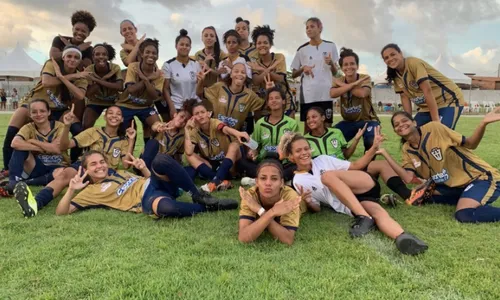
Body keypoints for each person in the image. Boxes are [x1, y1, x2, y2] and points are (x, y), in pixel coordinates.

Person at [280, 132, 428, 255]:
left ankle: (363, 217)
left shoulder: (323, 160)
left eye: (306, 148)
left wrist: (374, 147)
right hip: (352, 203)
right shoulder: (298, 181)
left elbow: (356, 165)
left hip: (362, 185)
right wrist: (308, 202)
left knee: (327, 177)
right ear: (291, 156)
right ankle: (403, 237)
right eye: (298, 151)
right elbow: (318, 207)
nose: (304, 153)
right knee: (377, 213)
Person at [12, 105, 136, 218]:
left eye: (118, 114)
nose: (114, 116)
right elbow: (65, 145)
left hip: (105, 173)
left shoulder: (123, 141)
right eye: (110, 113)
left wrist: (131, 140)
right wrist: (67, 126)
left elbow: (125, 164)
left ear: (122, 119)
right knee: (64, 175)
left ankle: (25, 182)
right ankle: (35, 204)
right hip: (85, 167)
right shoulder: (93, 131)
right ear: (104, 116)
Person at [379, 110, 500, 224]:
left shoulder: (434, 128)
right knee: (424, 199)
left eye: (405, 120)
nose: (401, 125)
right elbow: (407, 177)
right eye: (396, 124)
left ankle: (469, 200)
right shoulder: (407, 148)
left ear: (414, 122)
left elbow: (470, 144)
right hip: (456, 185)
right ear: (395, 131)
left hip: (481, 177)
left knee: (464, 214)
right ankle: (468, 197)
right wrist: (384, 153)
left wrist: (483, 124)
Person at [33, 151, 238, 217]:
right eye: (93, 164)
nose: (100, 166)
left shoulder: (119, 171)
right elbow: (61, 212)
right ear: (86, 169)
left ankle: (197, 193)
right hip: (147, 199)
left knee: (160, 160)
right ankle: (206, 207)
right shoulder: (90, 192)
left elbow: (147, 179)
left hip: (155, 184)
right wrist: (70, 190)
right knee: (166, 208)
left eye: (102, 162)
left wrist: (144, 168)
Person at [3, 47, 88, 172]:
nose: (72, 59)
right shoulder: (51, 64)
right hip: (34, 104)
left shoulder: (82, 77)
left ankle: (73, 165)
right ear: (63, 57)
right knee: (12, 131)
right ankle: (7, 169)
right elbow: (46, 82)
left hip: (59, 108)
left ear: (80, 61)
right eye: (69, 56)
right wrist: (72, 75)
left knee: (78, 131)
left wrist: (63, 77)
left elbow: (80, 95)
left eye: (76, 57)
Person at [304, 107, 412, 201]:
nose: (310, 120)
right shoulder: (305, 140)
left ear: (323, 118)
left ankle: (408, 195)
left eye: (314, 117)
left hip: (347, 170)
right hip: (327, 178)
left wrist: (356, 140)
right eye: (308, 118)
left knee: (382, 164)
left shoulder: (336, 132)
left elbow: (345, 155)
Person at [381, 43, 465, 129]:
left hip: (449, 100)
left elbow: (427, 91)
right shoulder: (394, 74)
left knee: (441, 133)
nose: (390, 59)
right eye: (386, 58)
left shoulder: (413, 63)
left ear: (401, 53)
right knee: (414, 134)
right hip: (426, 107)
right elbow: (404, 97)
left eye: (393, 54)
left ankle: (464, 142)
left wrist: (435, 120)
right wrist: (408, 120)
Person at [1, 99, 69, 197]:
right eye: (34, 112)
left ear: (49, 112)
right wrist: (43, 148)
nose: (38, 114)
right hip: (37, 165)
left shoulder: (60, 126)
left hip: (58, 165)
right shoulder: (28, 127)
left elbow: (57, 149)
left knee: (62, 173)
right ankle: (13, 181)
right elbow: (15, 143)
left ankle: (26, 183)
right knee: (19, 150)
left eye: (42, 111)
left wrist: (32, 141)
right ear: (30, 114)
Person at [238, 85, 299, 185]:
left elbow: (295, 147)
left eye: (277, 98)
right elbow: (255, 146)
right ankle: (281, 180)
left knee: (297, 166)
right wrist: (252, 152)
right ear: (267, 103)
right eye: (271, 99)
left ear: (283, 101)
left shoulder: (292, 123)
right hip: (263, 161)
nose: (274, 101)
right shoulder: (260, 123)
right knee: (241, 162)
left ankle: (258, 180)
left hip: (283, 163)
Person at [184, 102, 249, 192]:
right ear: (193, 118)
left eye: (202, 112)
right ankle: (220, 180)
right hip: (213, 165)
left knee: (234, 145)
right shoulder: (194, 130)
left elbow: (225, 129)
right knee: (189, 155)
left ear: (208, 113)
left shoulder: (214, 122)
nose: (200, 115)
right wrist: (186, 130)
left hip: (231, 164)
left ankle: (215, 181)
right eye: (196, 114)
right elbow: (188, 151)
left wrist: (238, 133)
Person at [238, 160, 303, 245]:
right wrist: (271, 213)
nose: (268, 183)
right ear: (256, 182)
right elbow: (243, 237)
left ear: (281, 183)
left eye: (274, 178)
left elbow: (288, 239)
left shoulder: (289, 196)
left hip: (302, 205)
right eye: (263, 178)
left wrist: (260, 210)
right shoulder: (250, 196)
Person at [291, 17, 339, 133]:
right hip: (308, 95)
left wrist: (331, 63)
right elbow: (293, 74)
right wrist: (303, 68)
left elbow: (335, 72)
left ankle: (327, 150)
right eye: (307, 27)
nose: (308, 29)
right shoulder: (301, 50)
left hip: (326, 94)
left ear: (320, 27)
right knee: (309, 126)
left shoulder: (331, 46)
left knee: (327, 125)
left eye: (312, 26)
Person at [116, 38, 164, 147]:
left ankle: (146, 156)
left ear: (157, 56)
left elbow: (154, 97)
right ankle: (127, 157)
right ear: (141, 54)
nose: (151, 55)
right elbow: (131, 90)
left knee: (159, 128)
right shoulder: (133, 67)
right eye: (147, 52)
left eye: (154, 53)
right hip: (126, 105)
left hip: (145, 106)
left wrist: (147, 80)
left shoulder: (159, 74)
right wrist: (147, 79)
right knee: (130, 131)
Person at [330, 48, 380, 151]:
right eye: (346, 64)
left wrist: (343, 85)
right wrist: (352, 85)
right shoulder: (339, 80)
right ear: (342, 67)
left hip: (368, 120)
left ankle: (368, 166)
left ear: (357, 66)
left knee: (371, 141)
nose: (349, 67)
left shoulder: (364, 78)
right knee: (331, 138)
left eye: (352, 64)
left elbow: (362, 93)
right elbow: (332, 94)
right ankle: (342, 161)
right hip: (349, 121)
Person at [196, 62, 263, 132]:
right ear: (231, 74)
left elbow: (266, 105)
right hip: (215, 133)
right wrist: (201, 81)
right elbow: (199, 93)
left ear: (245, 76)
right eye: (236, 71)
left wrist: (269, 90)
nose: (239, 74)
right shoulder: (219, 87)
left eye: (243, 72)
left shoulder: (250, 95)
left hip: (235, 136)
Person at [250, 25, 296, 117]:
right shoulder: (255, 62)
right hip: (264, 106)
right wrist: (269, 69)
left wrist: (263, 70)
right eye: (259, 43)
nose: (262, 45)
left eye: (265, 42)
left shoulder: (279, 57)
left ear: (270, 44)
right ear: (255, 45)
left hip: (284, 104)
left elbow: (280, 79)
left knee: (287, 131)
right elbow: (256, 81)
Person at [142, 99, 196, 170]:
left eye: (185, 120)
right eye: (181, 116)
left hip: (162, 164)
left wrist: (178, 167)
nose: (182, 121)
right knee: (152, 143)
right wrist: (157, 128)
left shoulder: (182, 136)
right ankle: (143, 169)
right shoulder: (162, 125)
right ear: (175, 115)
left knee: (189, 170)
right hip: (149, 160)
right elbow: (154, 126)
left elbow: (178, 155)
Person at [82, 43, 124, 129]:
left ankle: (121, 141)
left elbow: (120, 87)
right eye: (97, 54)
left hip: (113, 101)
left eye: (104, 54)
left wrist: (97, 80)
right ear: (93, 57)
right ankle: (87, 141)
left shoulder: (115, 68)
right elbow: (88, 93)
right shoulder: (89, 70)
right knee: (86, 124)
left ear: (108, 57)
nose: (101, 57)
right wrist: (105, 79)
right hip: (95, 101)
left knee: (124, 123)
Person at [162, 29, 201, 118]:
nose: (184, 47)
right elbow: (166, 89)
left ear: (190, 47)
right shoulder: (168, 65)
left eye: (187, 45)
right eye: (181, 44)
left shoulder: (196, 64)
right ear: (176, 46)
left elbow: (199, 87)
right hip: (177, 106)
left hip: (194, 105)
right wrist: (172, 107)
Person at [194, 26, 226, 92]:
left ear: (215, 39)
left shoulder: (221, 54)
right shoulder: (198, 54)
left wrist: (208, 68)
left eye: (212, 36)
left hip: (217, 91)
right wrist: (205, 61)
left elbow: (223, 73)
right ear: (202, 38)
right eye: (206, 36)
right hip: (201, 91)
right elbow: (195, 74)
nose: (209, 38)